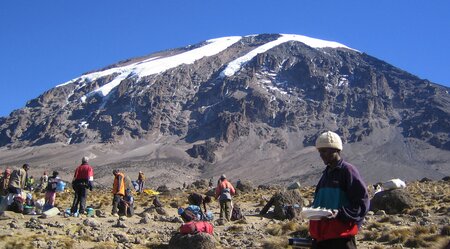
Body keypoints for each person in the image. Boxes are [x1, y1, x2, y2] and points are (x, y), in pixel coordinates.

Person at [309, 131, 369, 249]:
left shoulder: (348, 171)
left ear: (336, 150)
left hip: (340, 238)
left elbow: (362, 202)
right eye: (320, 151)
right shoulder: (325, 175)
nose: (321, 155)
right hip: (322, 237)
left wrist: (341, 214)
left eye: (324, 151)